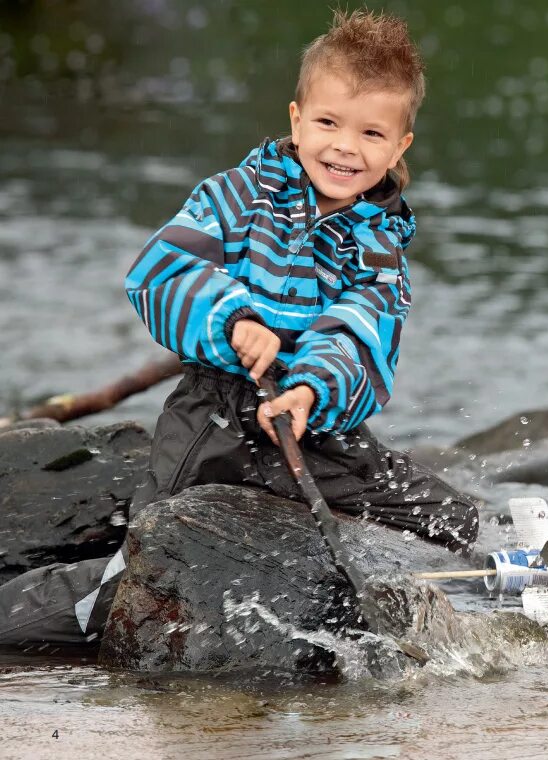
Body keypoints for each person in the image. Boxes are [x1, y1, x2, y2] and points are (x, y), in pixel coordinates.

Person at [0, 9, 477, 649]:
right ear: (296, 120)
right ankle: (53, 610)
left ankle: (493, 583)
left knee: (452, 520)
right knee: (153, 556)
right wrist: (236, 318)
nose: (344, 146)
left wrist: (309, 390)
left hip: (313, 429)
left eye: (370, 133)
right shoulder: (237, 194)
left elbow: (360, 335)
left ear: (399, 147)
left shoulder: (381, 249)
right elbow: (158, 271)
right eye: (328, 123)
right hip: (213, 419)